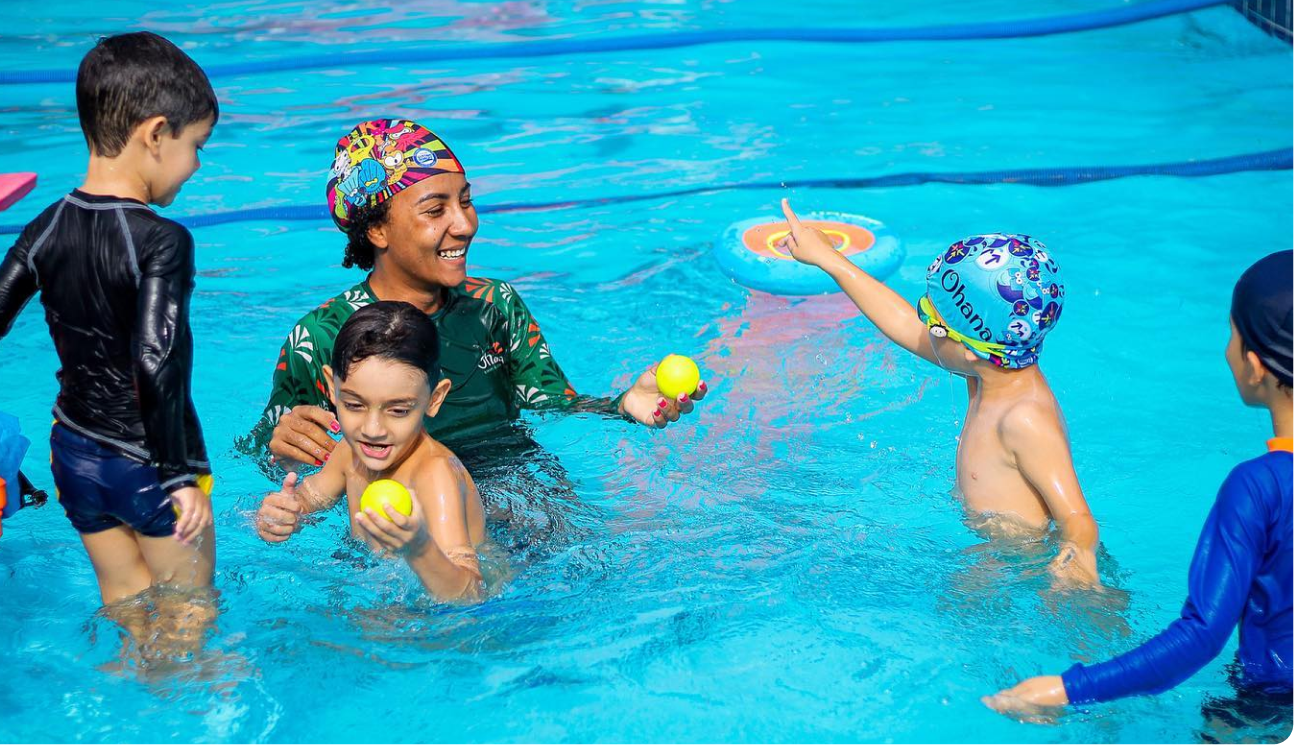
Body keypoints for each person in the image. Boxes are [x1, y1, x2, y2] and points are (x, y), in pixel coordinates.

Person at [0, 32, 218, 612]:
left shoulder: (47, 226)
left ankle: (128, 690)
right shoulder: (163, 240)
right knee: (188, 614)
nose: (197, 164)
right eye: (197, 145)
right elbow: (156, 357)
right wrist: (176, 475)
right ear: (155, 134)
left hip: (75, 454)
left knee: (126, 604)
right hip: (150, 463)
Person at [249, 119, 708, 472]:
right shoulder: (323, 336)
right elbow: (265, 454)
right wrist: (282, 448)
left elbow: (551, 405)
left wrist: (621, 405)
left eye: (465, 201)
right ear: (377, 229)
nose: (465, 224)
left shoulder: (495, 306)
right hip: (403, 506)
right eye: (436, 210)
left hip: (519, 484)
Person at [984, 249, 1294, 714]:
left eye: (1230, 335)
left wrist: (1066, 689)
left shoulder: (1260, 487)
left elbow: (1201, 636)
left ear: (1254, 365)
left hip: (1268, 706)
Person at [778, 200, 1100, 586]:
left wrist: (1076, 558)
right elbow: (899, 321)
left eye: (932, 321)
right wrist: (830, 259)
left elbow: (1077, 517)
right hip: (994, 552)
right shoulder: (986, 370)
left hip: (1016, 562)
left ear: (968, 346)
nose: (923, 326)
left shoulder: (1023, 417)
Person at [255, 302, 487, 603]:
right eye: (354, 405)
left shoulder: (435, 475)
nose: (373, 429)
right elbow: (310, 498)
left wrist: (420, 549)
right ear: (331, 387)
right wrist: (286, 512)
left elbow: (470, 596)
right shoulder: (349, 453)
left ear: (434, 398)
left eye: (398, 410)